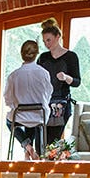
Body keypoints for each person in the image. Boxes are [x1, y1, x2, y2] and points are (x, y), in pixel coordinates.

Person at [3, 39, 53, 158]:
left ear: (21, 54)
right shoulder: (44, 73)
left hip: (20, 116)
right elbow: (48, 94)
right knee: (34, 123)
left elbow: (7, 99)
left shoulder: (14, 75)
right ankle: (31, 150)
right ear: (36, 54)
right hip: (40, 116)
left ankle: (28, 147)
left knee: (9, 121)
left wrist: (18, 104)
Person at [36, 18, 81, 146]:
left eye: (49, 40)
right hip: (43, 104)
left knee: (51, 143)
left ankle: (49, 165)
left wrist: (66, 77)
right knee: (40, 144)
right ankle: (39, 164)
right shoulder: (43, 58)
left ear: (58, 37)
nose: (46, 44)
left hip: (61, 105)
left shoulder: (71, 56)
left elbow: (77, 82)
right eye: (44, 41)